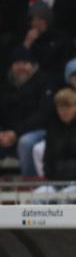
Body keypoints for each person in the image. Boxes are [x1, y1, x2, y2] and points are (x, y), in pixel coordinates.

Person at [0, 47, 53, 175]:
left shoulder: (43, 82)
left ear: (32, 65)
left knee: (26, 142)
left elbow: (43, 113)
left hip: (37, 130)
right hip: (8, 132)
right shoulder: (5, 84)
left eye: (25, 63)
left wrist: (16, 132)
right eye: (17, 63)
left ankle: (29, 185)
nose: (21, 67)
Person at [38, 88, 76, 182]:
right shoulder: (53, 128)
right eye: (60, 107)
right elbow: (48, 158)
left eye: (67, 107)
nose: (64, 111)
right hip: (55, 180)